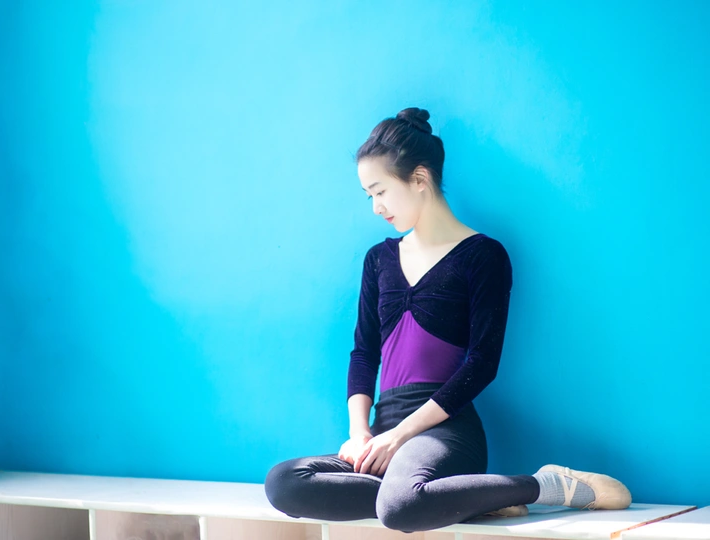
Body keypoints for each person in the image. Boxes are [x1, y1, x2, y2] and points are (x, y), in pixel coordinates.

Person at [263, 107, 631, 533]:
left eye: (380, 191)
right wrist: (361, 433)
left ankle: (545, 485)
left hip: (445, 431)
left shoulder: (483, 255)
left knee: (400, 508)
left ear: (419, 178)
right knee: (284, 483)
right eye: (369, 196)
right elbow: (364, 353)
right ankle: (462, 499)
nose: (376, 207)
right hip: (383, 432)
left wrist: (401, 435)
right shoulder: (378, 259)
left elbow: (482, 364)